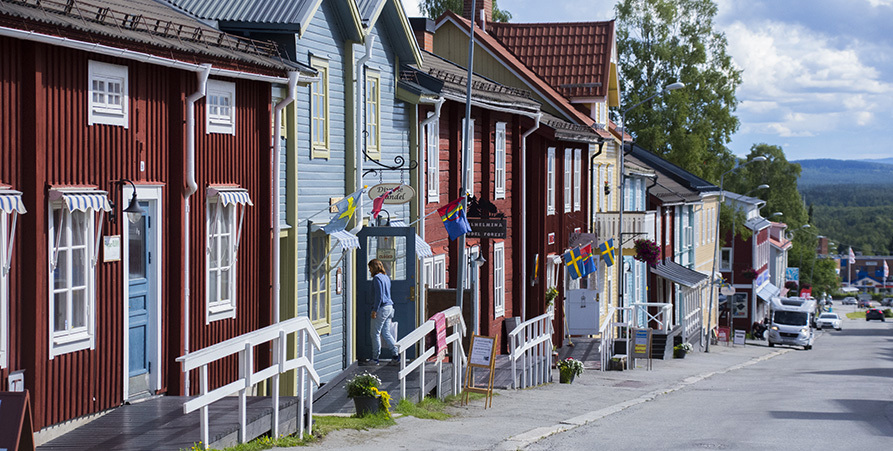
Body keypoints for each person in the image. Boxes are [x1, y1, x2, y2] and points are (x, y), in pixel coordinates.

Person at [368, 259, 398, 364]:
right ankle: (396, 355)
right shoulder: (386, 277)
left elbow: (379, 296)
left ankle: (375, 358)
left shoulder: (377, 278)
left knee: (375, 333)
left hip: (381, 308)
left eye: (370, 268)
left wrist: (375, 310)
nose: (369, 270)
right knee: (386, 332)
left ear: (373, 268)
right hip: (390, 307)